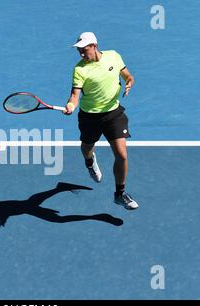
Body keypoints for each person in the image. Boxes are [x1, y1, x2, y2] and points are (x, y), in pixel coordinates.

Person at [63, 32, 138, 210]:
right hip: (90, 116)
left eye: (84, 49)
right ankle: (90, 162)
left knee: (122, 155)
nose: (81, 54)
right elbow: (74, 96)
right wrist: (71, 106)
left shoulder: (113, 56)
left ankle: (120, 194)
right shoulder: (80, 69)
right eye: (79, 50)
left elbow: (128, 75)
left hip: (114, 114)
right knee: (87, 147)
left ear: (94, 46)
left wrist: (129, 82)